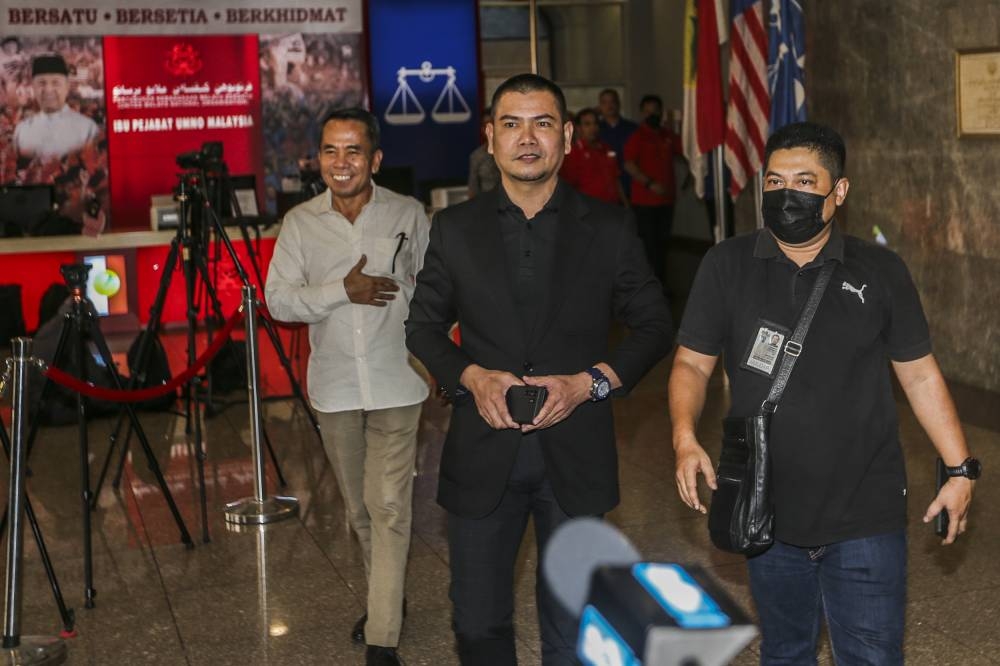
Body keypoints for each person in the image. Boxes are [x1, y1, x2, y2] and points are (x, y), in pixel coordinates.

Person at [668, 121, 978, 665]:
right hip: (766, 507)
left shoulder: (880, 269)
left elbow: (920, 374)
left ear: (839, 192)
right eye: (774, 181)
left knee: (872, 657)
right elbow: (692, 364)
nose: (787, 194)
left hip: (865, 512)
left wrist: (959, 469)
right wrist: (683, 436)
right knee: (787, 652)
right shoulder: (727, 265)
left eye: (806, 182)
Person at [405, 73, 673, 665]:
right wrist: (472, 377)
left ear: (568, 136)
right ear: (490, 138)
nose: (527, 138)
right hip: (483, 453)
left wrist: (590, 382)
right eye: (512, 124)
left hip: (575, 455)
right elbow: (422, 326)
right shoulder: (455, 228)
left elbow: (654, 324)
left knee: (573, 626)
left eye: (543, 123)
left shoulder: (607, 226)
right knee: (476, 626)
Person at [264, 107, 430, 666]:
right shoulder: (299, 224)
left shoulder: (409, 213)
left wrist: (446, 362)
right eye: (331, 151)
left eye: (353, 150)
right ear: (318, 160)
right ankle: (388, 594)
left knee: (387, 506)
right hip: (334, 386)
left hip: (398, 381)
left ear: (375, 159)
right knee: (360, 511)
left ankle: (383, 638)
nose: (341, 162)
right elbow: (278, 300)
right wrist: (342, 289)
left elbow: (433, 292)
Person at [623, 94, 683, 287]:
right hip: (645, 202)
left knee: (663, 244)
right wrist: (649, 183)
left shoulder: (667, 135)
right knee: (649, 246)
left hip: (666, 201)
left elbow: (686, 151)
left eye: (655, 110)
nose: (652, 114)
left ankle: (661, 284)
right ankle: (649, 287)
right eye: (648, 111)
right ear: (642, 112)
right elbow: (629, 165)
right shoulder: (637, 136)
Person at [14, 54, 99, 161]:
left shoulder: (88, 128)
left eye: (56, 83)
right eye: (41, 83)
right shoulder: (22, 130)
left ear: (67, 86)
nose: (48, 90)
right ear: (33, 87)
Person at [559, 107, 627, 206]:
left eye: (595, 123)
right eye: (587, 124)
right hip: (587, 211)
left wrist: (626, 205)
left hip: (613, 209)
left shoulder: (607, 149)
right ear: (578, 128)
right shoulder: (572, 153)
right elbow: (567, 188)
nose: (593, 128)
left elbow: (616, 180)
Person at [596, 88, 637, 195]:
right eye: (605, 102)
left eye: (612, 101)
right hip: (603, 183)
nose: (609, 106)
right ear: (600, 106)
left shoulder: (632, 128)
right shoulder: (595, 129)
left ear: (618, 104)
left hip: (630, 181)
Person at [468, 106, 501, 197]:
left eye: (492, 124)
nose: (490, 129)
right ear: (482, 130)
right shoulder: (477, 156)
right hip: (487, 206)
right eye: (486, 125)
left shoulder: (514, 151)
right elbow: (473, 190)